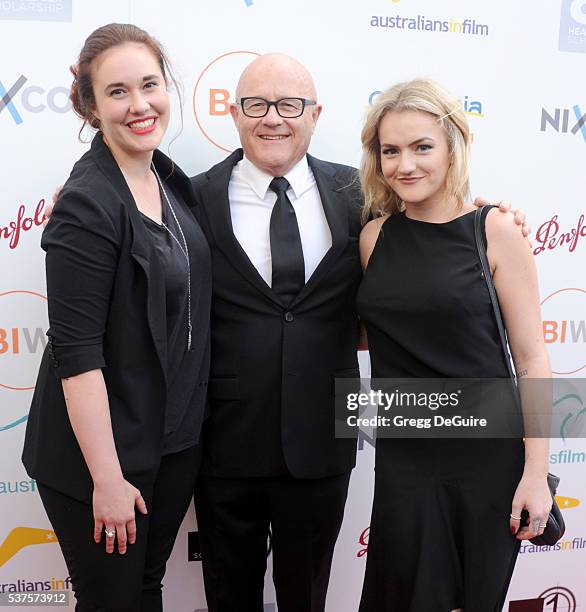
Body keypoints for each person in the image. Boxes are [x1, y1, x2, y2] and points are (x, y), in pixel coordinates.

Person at [190, 55, 530, 612]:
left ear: (315, 115)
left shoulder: (359, 199)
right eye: (256, 104)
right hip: (225, 439)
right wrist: (76, 197)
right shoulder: (193, 196)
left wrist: (496, 218)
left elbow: (436, 236)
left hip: (329, 437)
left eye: (290, 105)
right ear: (234, 113)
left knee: (315, 597)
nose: (273, 118)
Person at [22, 23, 211, 612]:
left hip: (170, 443)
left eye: (149, 85)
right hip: (101, 458)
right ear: (90, 103)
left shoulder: (166, 176)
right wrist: (106, 478)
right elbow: (77, 358)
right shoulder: (86, 203)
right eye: (118, 92)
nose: (139, 105)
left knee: (145, 590)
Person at [356, 79, 551, 611]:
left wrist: (536, 475)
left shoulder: (495, 229)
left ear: (451, 147)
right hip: (404, 455)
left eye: (422, 147)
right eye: (390, 150)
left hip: (484, 458)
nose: (405, 164)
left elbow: (533, 357)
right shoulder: (374, 238)